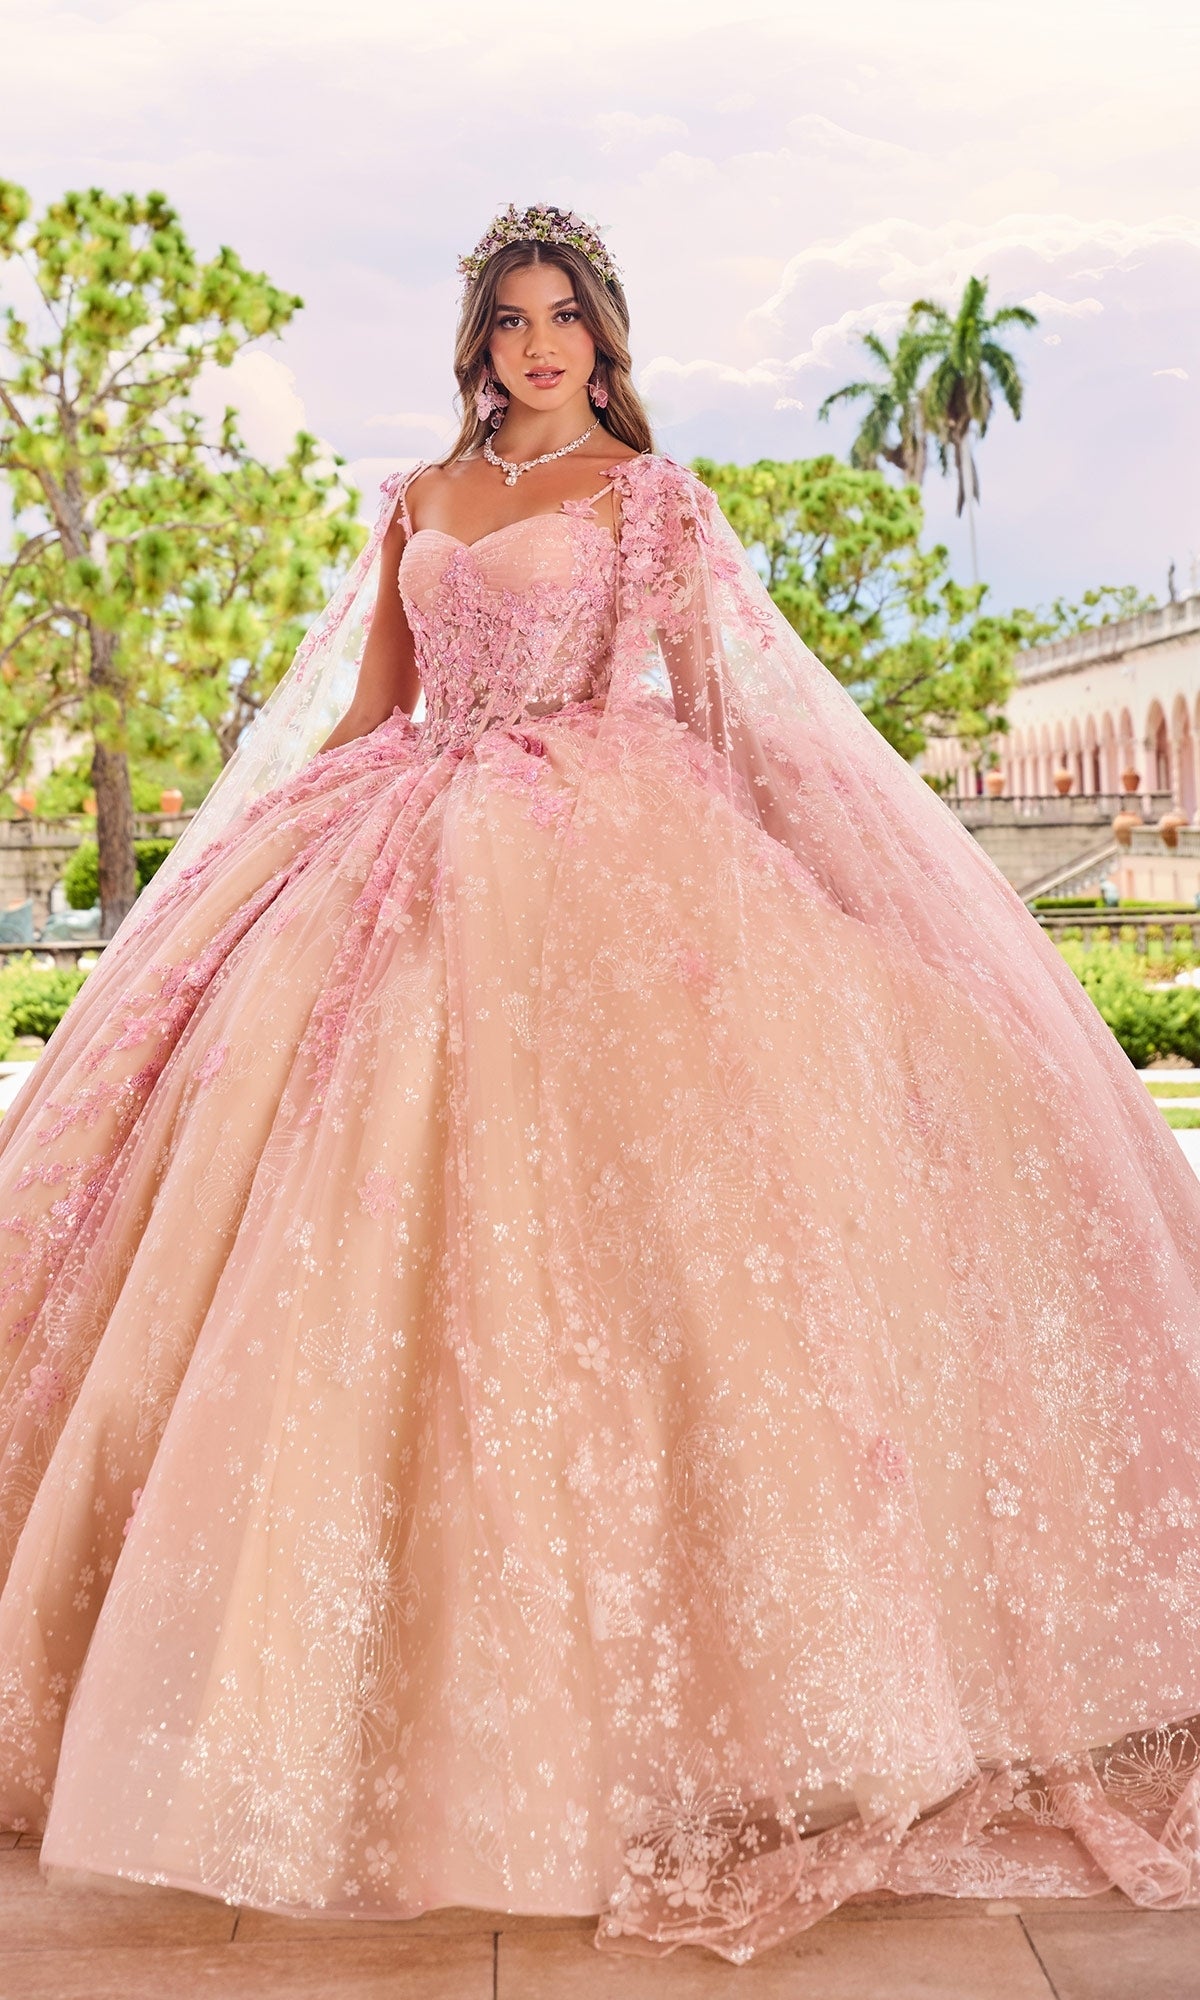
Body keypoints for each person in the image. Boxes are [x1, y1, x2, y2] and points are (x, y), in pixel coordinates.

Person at [2, 203, 1200, 1967]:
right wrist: (248, 854)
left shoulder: (652, 502)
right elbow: (375, 711)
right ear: (478, 343)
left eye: (566, 314)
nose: (541, 343)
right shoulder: (416, 496)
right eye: (512, 317)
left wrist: (813, 897)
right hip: (399, 841)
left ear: (604, 336)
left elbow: (719, 715)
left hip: (596, 857)